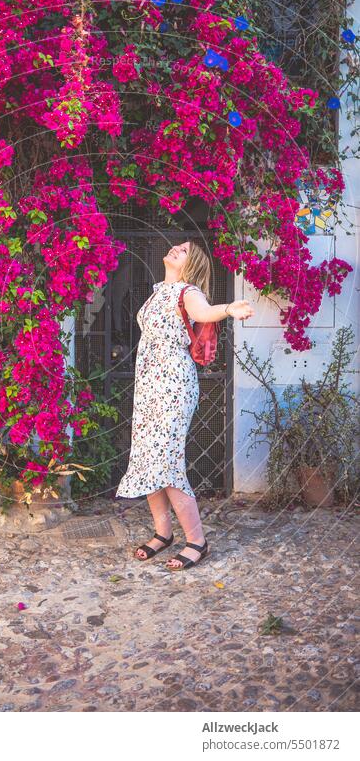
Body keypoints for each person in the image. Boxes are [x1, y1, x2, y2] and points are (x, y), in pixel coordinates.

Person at [115, 240, 254, 571]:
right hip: (149, 386)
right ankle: (163, 533)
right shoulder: (157, 291)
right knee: (148, 457)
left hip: (173, 387)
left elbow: (203, 313)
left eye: (185, 250)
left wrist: (228, 309)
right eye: (177, 245)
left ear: (190, 265)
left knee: (167, 460)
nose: (176, 247)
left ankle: (197, 541)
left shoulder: (188, 291)